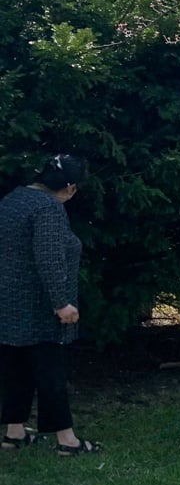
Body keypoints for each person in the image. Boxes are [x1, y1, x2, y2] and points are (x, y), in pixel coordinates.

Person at [0, 155, 100, 456]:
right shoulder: (48, 208)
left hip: (8, 301)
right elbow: (49, 256)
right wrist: (61, 303)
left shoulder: (13, 199)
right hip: (39, 306)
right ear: (69, 187)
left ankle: (14, 433)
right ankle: (66, 440)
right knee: (51, 372)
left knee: (15, 368)